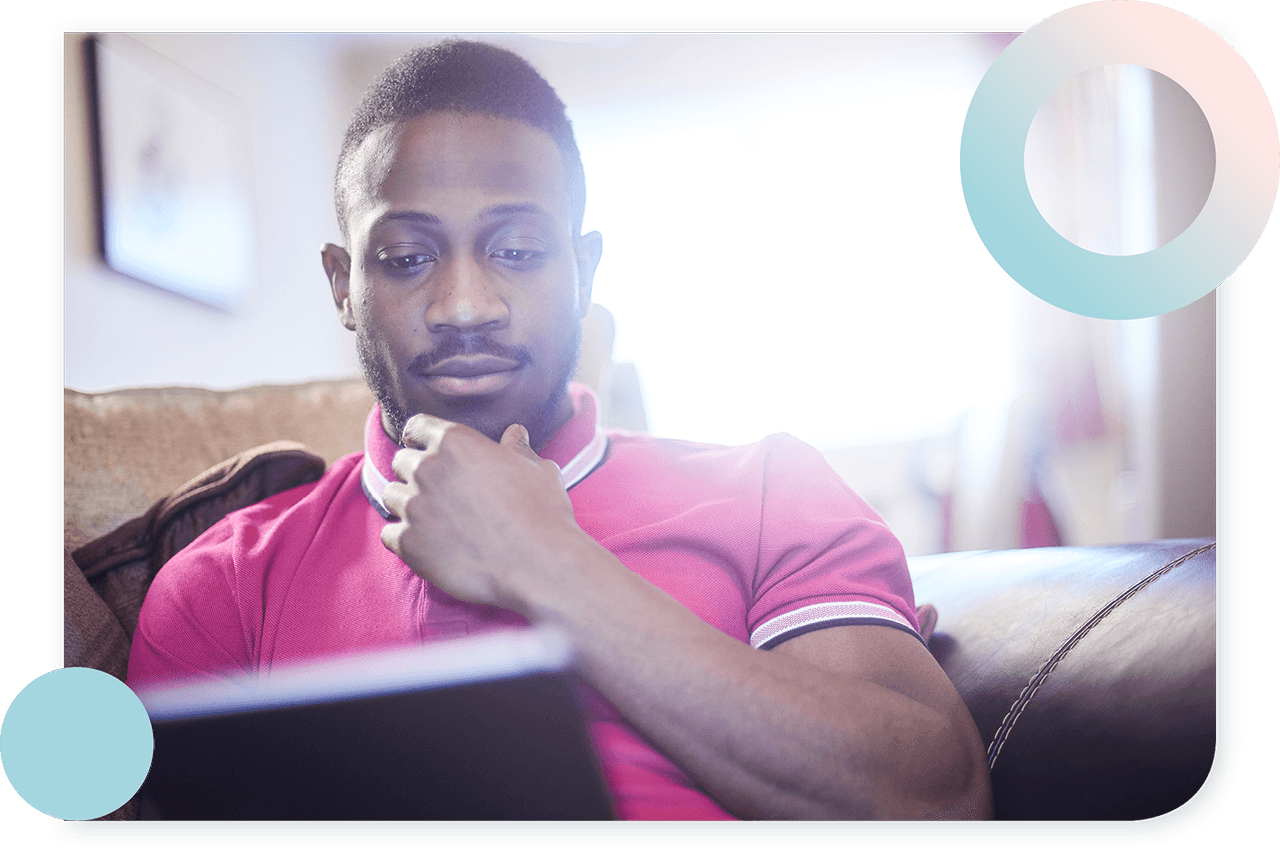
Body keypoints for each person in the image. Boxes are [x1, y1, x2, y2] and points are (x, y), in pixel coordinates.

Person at [127, 39, 993, 821]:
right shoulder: (221, 588)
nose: (466, 305)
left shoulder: (771, 491)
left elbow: (935, 803)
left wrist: (551, 565)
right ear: (343, 284)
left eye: (517, 250)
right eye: (406, 257)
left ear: (582, 271)